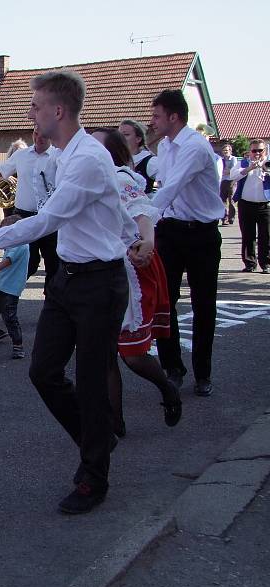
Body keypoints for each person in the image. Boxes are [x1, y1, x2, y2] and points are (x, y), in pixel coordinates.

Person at [0, 70, 141, 514]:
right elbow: (103, 213)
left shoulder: (87, 160)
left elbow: (49, 219)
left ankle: (94, 477)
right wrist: (132, 232)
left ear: (58, 111)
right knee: (44, 372)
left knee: (93, 380)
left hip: (98, 283)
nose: (30, 113)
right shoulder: (61, 154)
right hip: (70, 279)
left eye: (36, 106)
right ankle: (95, 441)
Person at [91, 128, 181, 438]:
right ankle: (115, 423)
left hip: (131, 269)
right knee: (105, 355)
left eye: (94, 144)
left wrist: (147, 240)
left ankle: (167, 389)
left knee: (132, 355)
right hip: (100, 273)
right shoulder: (86, 179)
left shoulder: (120, 177)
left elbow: (142, 212)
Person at [149, 89, 223, 397]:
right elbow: (158, 185)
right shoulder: (164, 147)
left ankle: (202, 374)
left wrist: (140, 223)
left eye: (156, 116)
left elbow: (172, 187)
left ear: (173, 116)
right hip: (171, 231)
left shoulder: (194, 147)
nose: (151, 123)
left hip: (201, 234)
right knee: (164, 301)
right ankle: (173, 368)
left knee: (203, 304)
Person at [0, 129, 59, 288]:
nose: (39, 138)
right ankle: (6, 292)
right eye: (36, 134)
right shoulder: (21, 155)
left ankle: (52, 300)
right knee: (29, 261)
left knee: (54, 263)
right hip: (24, 216)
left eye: (43, 134)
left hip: (50, 217)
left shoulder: (58, 156)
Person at [0, 242, 29, 359]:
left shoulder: (21, 245)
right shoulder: (13, 243)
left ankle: (18, 345)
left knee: (10, 317)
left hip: (11, 288)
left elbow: (8, 260)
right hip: (1, 285)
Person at [230, 139, 270, 273]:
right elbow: (233, 176)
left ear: (265, 151)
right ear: (250, 151)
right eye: (254, 151)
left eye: (260, 150)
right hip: (246, 204)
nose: (257, 153)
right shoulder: (243, 163)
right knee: (248, 235)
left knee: (267, 235)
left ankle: (266, 263)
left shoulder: (268, 163)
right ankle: (250, 263)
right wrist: (249, 168)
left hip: (266, 205)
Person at [119, 119, 158, 195]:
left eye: (126, 134)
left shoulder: (149, 161)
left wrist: (154, 195)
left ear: (138, 139)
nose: (121, 139)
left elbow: (163, 182)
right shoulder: (117, 161)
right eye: (119, 135)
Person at [218, 143, 239, 226]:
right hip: (223, 181)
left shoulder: (233, 159)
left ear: (230, 151)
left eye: (227, 150)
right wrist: (225, 171)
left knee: (231, 200)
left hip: (232, 181)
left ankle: (231, 218)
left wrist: (226, 171)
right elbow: (219, 170)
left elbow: (233, 170)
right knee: (222, 200)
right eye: (224, 150)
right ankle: (224, 218)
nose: (225, 152)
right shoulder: (221, 160)